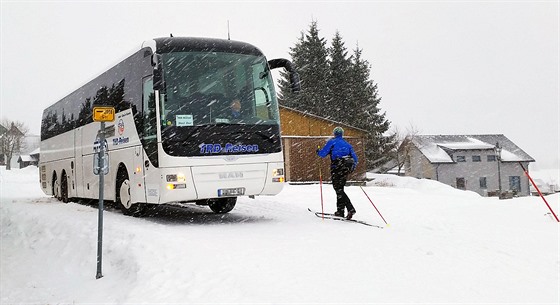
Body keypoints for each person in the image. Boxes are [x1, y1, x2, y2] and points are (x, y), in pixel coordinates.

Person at [316, 127, 358, 219]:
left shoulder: (332, 142)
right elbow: (355, 159)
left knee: (338, 189)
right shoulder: (347, 144)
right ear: (342, 134)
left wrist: (318, 151)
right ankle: (340, 211)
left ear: (334, 133)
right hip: (345, 169)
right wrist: (352, 169)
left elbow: (323, 154)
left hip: (336, 168)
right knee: (340, 189)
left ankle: (350, 208)